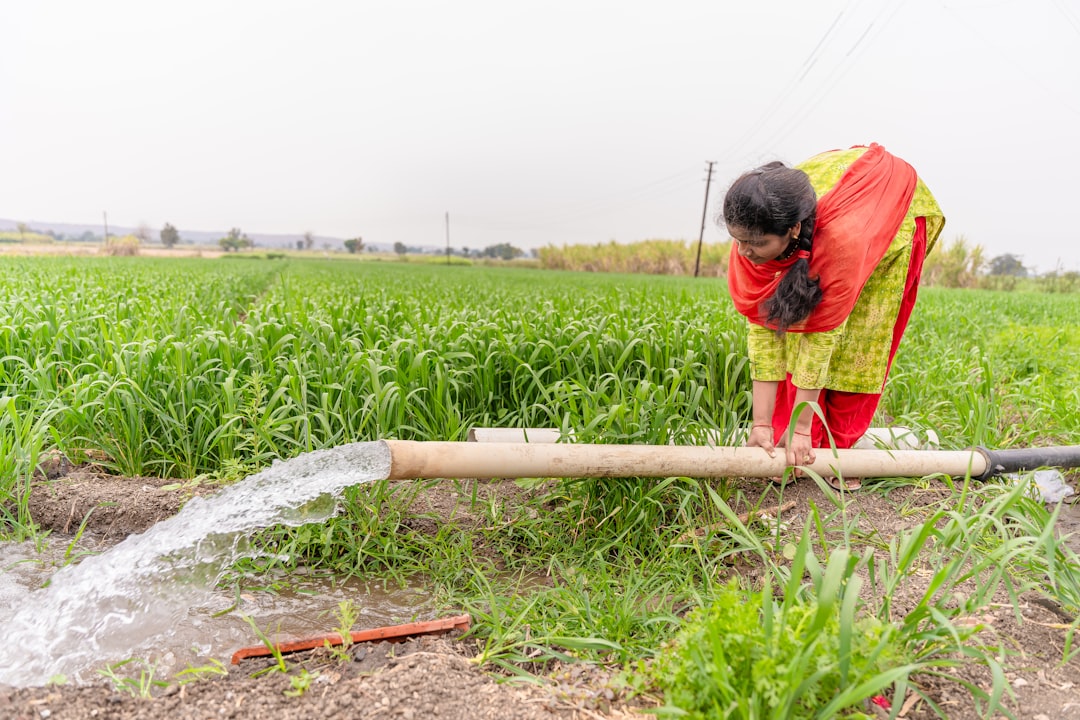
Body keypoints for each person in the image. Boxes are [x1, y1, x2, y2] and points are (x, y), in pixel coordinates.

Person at [722, 143, 945, 490]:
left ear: (793, 230)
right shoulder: (752, 231)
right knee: (787, 327)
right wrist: (761, 425)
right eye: (738, 241)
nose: (744, 252)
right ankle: (789, 440)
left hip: (893, 214)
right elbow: (764, 331)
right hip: (841, 207)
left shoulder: (841, 243)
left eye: (756, 244)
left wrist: (799, 430)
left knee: (860, 338)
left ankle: (840, 449)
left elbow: (819, 337)